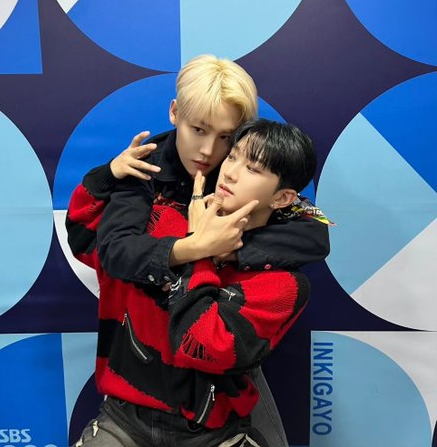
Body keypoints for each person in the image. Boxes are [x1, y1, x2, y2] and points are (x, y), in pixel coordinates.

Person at [67, 55, 330, 446]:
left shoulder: (238, 179)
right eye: (199, 130)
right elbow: (111, 250)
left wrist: (229, 251)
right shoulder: (143, 171)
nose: (210, 152)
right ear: (175, 113)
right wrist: (195, 246)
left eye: (227, 138)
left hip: (215, 399)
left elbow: (314, 235)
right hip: (133, 395)